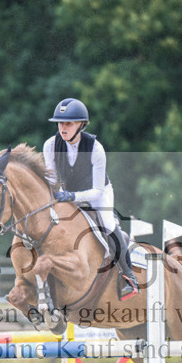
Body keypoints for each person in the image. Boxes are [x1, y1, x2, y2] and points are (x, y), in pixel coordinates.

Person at [43, 97, 139, 300]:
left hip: (98, 193)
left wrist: (72, 196)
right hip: (67, 193)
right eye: (60, 123)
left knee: (108, 225)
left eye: (68, 123)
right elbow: (51, 180)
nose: (63, 128)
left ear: (81, 124)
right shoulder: (50, 145)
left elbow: (96, 191)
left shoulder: (96, 149)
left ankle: (129, 278)